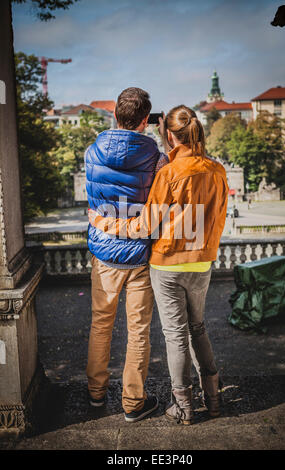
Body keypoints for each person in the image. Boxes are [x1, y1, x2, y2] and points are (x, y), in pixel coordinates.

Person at [89, 105, 229, 425]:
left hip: (167, 264)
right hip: (201, 261)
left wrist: (108, 225)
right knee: (198, 328)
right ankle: (214, 397)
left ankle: (184, 405)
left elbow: (145, 227)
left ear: (169, 133)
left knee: (175, 335)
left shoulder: (168, 173)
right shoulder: (218, 170)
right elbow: (217, 221)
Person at [85, 87, 168, 423]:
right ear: (145, 121)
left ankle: (95, 394)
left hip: (103, 251)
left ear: (115, 115)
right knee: (138, 331)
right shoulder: (157, 157)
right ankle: (133, 402)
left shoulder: (92, 152)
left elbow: (92, 199)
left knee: (100, 326)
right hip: (139, 256)